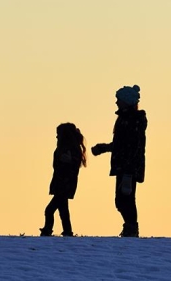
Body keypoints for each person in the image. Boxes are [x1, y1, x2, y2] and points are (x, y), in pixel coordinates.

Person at [91, 85, 147, 237]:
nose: (116, 102)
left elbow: (131, 145)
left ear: (126, 101)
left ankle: (131, 228)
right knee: (121, 199)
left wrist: (128, 168)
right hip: (124, 166)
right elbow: (122, 144)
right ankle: (130, 227)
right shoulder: (125, 119)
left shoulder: (133, 120)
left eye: (119, 100)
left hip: (128, 167)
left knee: (125, 199)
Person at [40, 123, 87, 237]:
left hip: (64, 184)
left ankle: (48, 230)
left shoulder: (70, 149)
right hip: (61, 183)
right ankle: (67, 231)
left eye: (58, 134)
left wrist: (69, 161)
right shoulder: (68, 148)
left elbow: (73, 166)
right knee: (63, 210)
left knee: (50, 210)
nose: (57, 137)